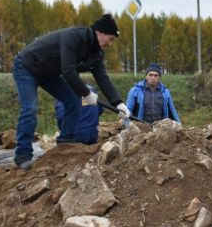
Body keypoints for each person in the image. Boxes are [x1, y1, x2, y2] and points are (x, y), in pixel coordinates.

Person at [12, 14, 129, 169]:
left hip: (48, 73)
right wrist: (86, 93)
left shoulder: (97, 53)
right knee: (30, 109)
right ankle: (23, 155)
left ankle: (65, 143)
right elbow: (68, 71)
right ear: (100, 32)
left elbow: (102, 78)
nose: (110, 43)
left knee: (73, 101)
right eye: (111, 38)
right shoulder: (74, 37)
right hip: (27, 66)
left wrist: (118, 103)